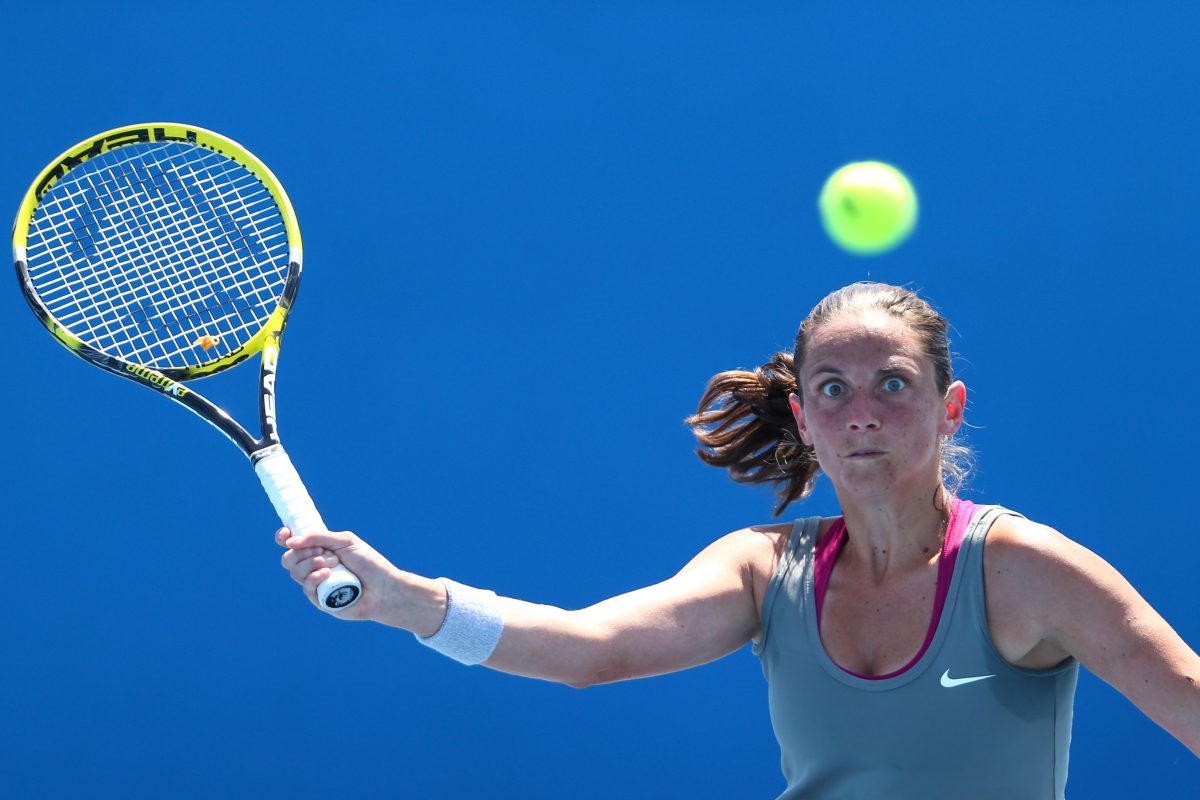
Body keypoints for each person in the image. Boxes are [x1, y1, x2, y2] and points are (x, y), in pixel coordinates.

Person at [276, 281, 1199, 798]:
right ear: (803, 418)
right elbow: (594, 651)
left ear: (949, 409)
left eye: (893, 383)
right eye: (832, 388)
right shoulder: (765, 570)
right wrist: (408, 602)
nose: (862, 412)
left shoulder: (1025, 571)